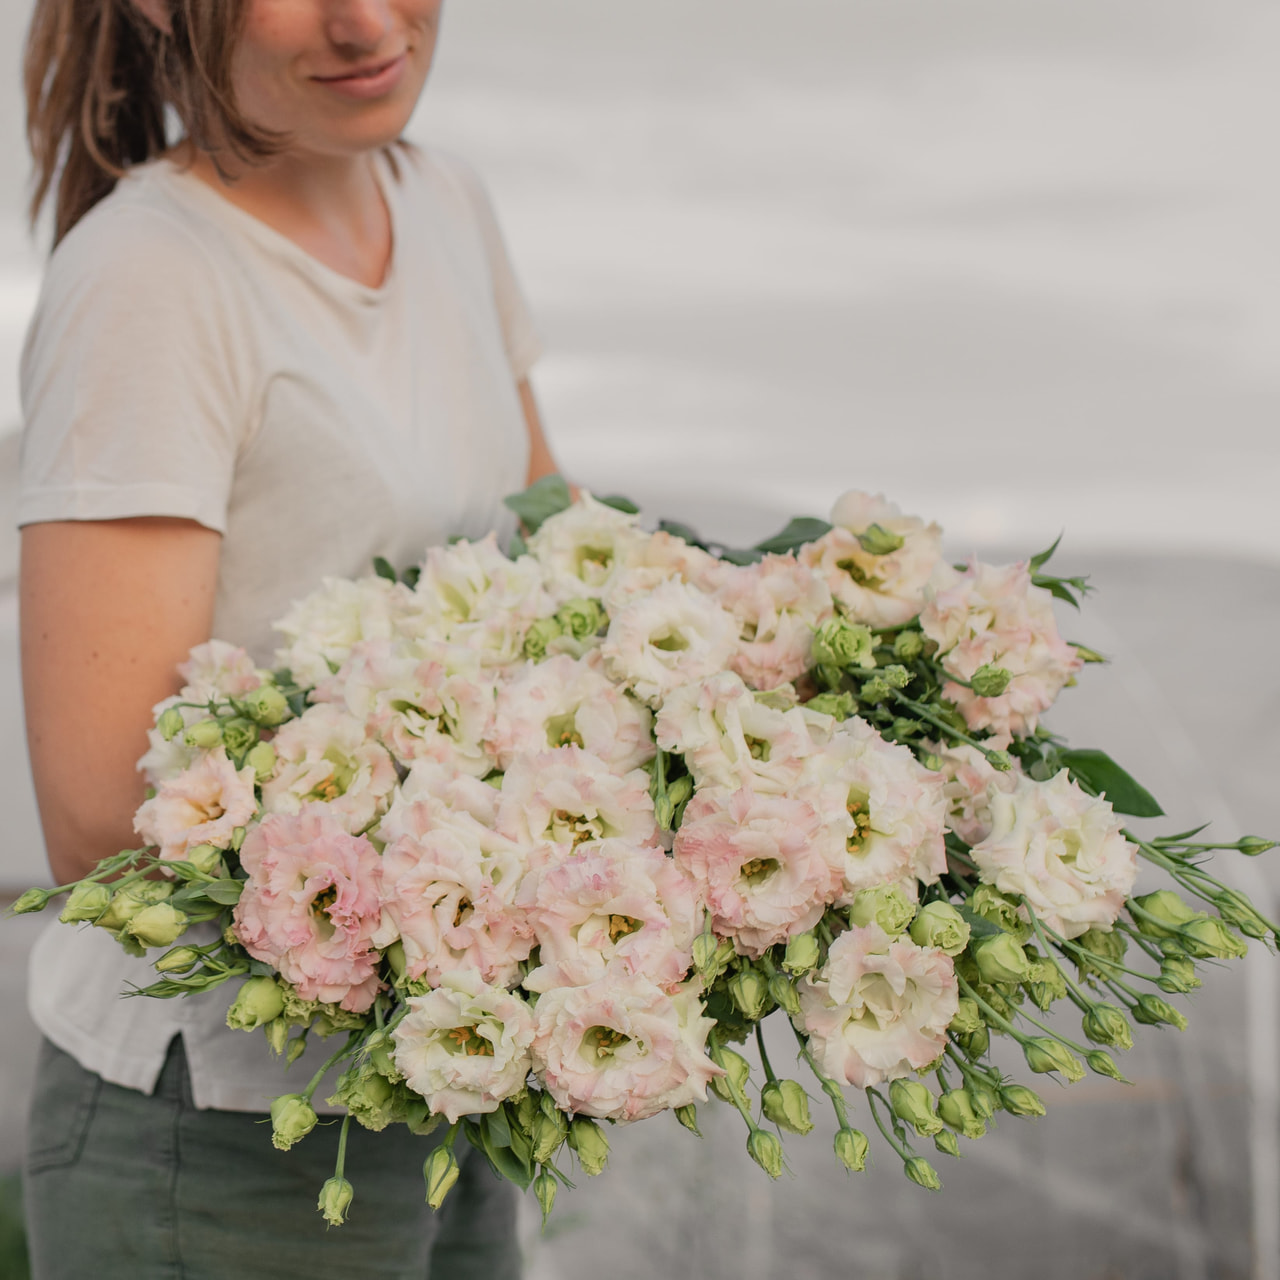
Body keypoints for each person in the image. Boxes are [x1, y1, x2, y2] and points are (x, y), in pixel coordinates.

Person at [17, 1, 559, 1275]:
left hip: (446, 1064)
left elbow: (555, 545)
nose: (364, 21)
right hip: (221, 1129)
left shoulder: (444, 201)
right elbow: (102, 817)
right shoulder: (150, 281)